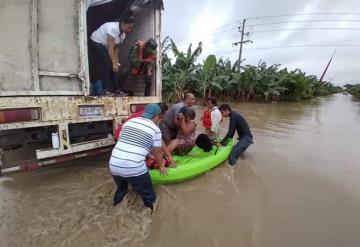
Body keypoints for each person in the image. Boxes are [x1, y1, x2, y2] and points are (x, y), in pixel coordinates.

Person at [109, 103, 167, 212]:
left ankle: (115, 206)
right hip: (134, 168)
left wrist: (147, 154)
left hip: (114, 165)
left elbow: (127, 143)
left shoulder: (128, 123)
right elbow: (158, 152)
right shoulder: (155, 129)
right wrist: (161, 166)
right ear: (157, 116)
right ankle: (150, 213)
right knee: (149, 196)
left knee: (121, 190)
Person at [89, 13, 134, 96]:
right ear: (123, 23)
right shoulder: (113, 28)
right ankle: (105, 90)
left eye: (131, 28)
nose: (130, 30)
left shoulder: (123, 34)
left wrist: (116, 61)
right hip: (96, 42)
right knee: (107, 64)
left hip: (106, 46)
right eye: (128, 27)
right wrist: (113, 63)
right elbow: (110, 48)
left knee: (115, 67)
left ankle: (117, 90)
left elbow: (116, 47)